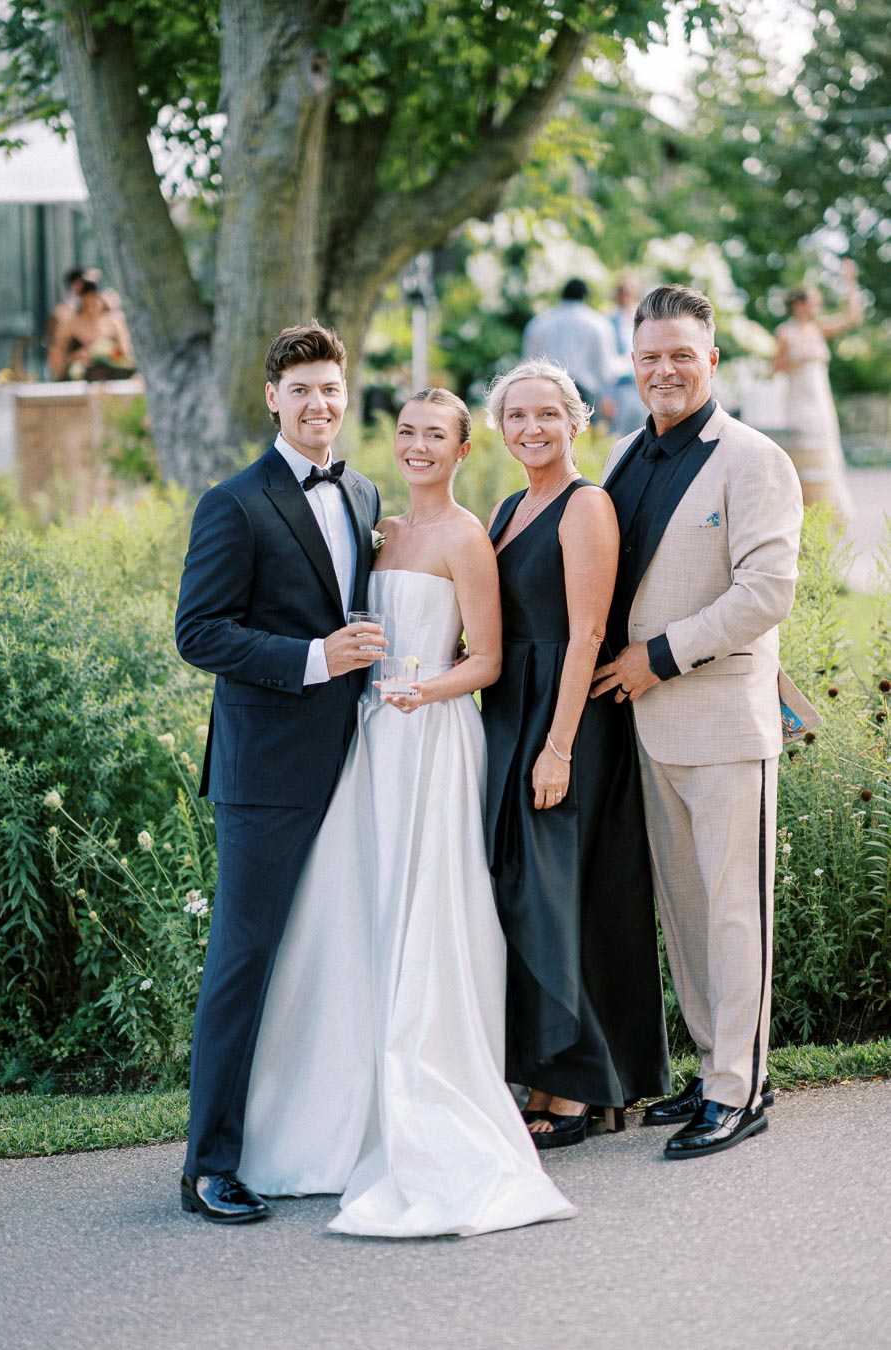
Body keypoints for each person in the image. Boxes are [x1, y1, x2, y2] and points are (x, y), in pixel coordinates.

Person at [239, 388, 575, 1237]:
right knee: (355, 908)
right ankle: (334, 1113)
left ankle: (429, 1091)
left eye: (436, 436)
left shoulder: (466, 538)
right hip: (371, 739)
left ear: (463, 451)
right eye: (407, 432)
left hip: (432, 737)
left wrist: (425, 691)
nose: (418, 446)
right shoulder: (377, 530)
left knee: (428, 907)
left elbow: (488, 659)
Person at [593, 284, 815, 1159]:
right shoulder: (620, 453)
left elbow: (766, 592)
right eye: (649, 356)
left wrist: (658, 656)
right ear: (632, 362)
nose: (664, 370)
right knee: (686, 913)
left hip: (722, 720)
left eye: (681, 355)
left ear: (712, 360)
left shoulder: (755, 459)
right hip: (643, 727)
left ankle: (741, 1088)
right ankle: (714, 1064)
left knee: (733, 913)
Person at [174, 322, 385, 1223]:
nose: (317, 403)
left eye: (330, 388)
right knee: (245, 956)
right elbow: (199, 631)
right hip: (266, 770)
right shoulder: (235, 502)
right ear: (272, 399)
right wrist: (314, 658)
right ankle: (209, 1166)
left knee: (339, 949)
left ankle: (318, 1137)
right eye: (300, 390)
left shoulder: (366, 493)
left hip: (362, 758)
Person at [481, 358, 671, 1151]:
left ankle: (577, 1089)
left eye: (546, 414)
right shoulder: (507, 508)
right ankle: (552, 1073)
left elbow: (589, 633)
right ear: (500, 429)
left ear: (575, 420)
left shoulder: (585, 505)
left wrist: (557, 747)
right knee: (527, 895)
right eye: (516, 416)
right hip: (511, 714)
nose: (532, 428)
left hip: (568, 721)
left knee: (558, 897)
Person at [772, 259, 861, 518]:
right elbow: (775, 367)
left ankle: (830, 503)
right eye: (813, 301)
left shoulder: (817, 328)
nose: (817, 306)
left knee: (827, 447)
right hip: (799, 399)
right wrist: (794, 358)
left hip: (821, 397)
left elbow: (852, 318)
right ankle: (802, 504)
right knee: (802, 450)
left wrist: (850, 283)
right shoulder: (785, 332)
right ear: (799, 304)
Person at [522, 278, 617, 422]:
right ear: (585, 295)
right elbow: (604, 365)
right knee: (586, 432)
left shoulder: (539, 323)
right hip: (586, 393)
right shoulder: (598, 323)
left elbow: (529, 362)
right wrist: (608, 395)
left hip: (548, 389)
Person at [47, 279, 135, 382]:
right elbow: (57, 358)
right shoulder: (70, 324)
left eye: (94, 302)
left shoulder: (115, 322)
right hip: (80, 378)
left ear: (103, 301)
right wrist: (77, 357)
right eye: (87, 303)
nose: (91, 308)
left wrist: (109, 354)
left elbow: (126, 354)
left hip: (112, 377)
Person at [609, 277, 648, 436]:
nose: (627, 297)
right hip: (620, 385)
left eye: (630, 292)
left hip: (642, 380)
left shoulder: (646, 321)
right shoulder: (609, 321)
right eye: (623, 292)